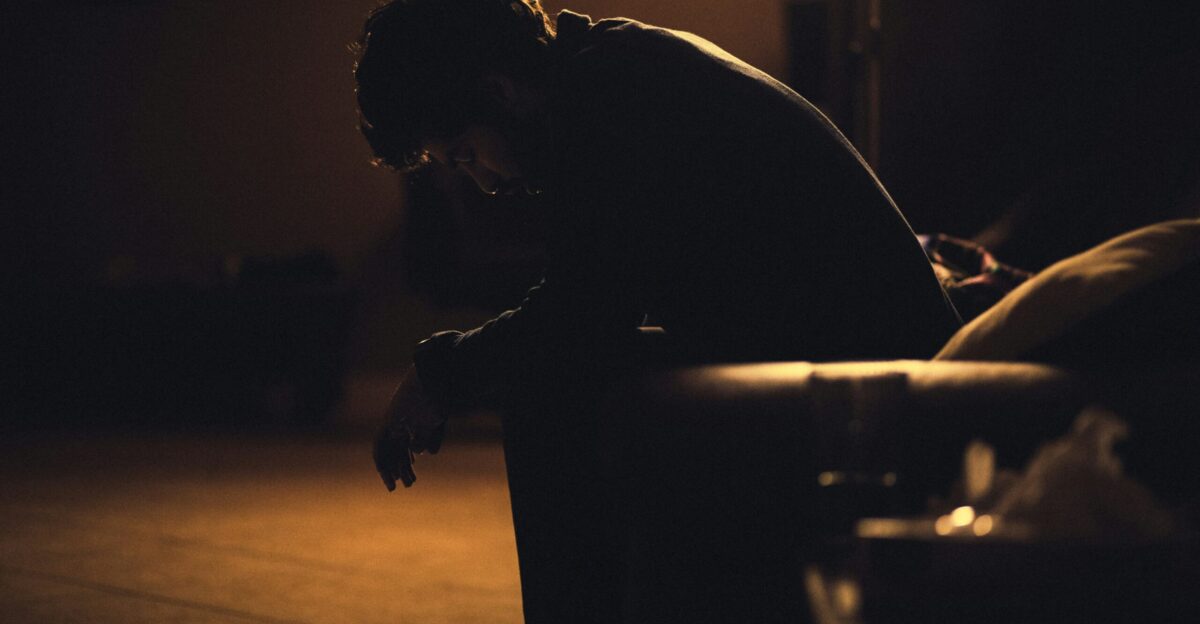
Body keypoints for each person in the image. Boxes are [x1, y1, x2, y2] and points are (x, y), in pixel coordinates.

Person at [356, 1, 960, 620]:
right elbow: (589, 303)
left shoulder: (610, 99)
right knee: (567, 372)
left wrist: (440, 371)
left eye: (465, 155)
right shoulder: (607, 68)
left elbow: (579, 317)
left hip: (888, 390)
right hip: (845, 359)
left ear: (498, 91)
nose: (483, 182)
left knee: (549, 386)